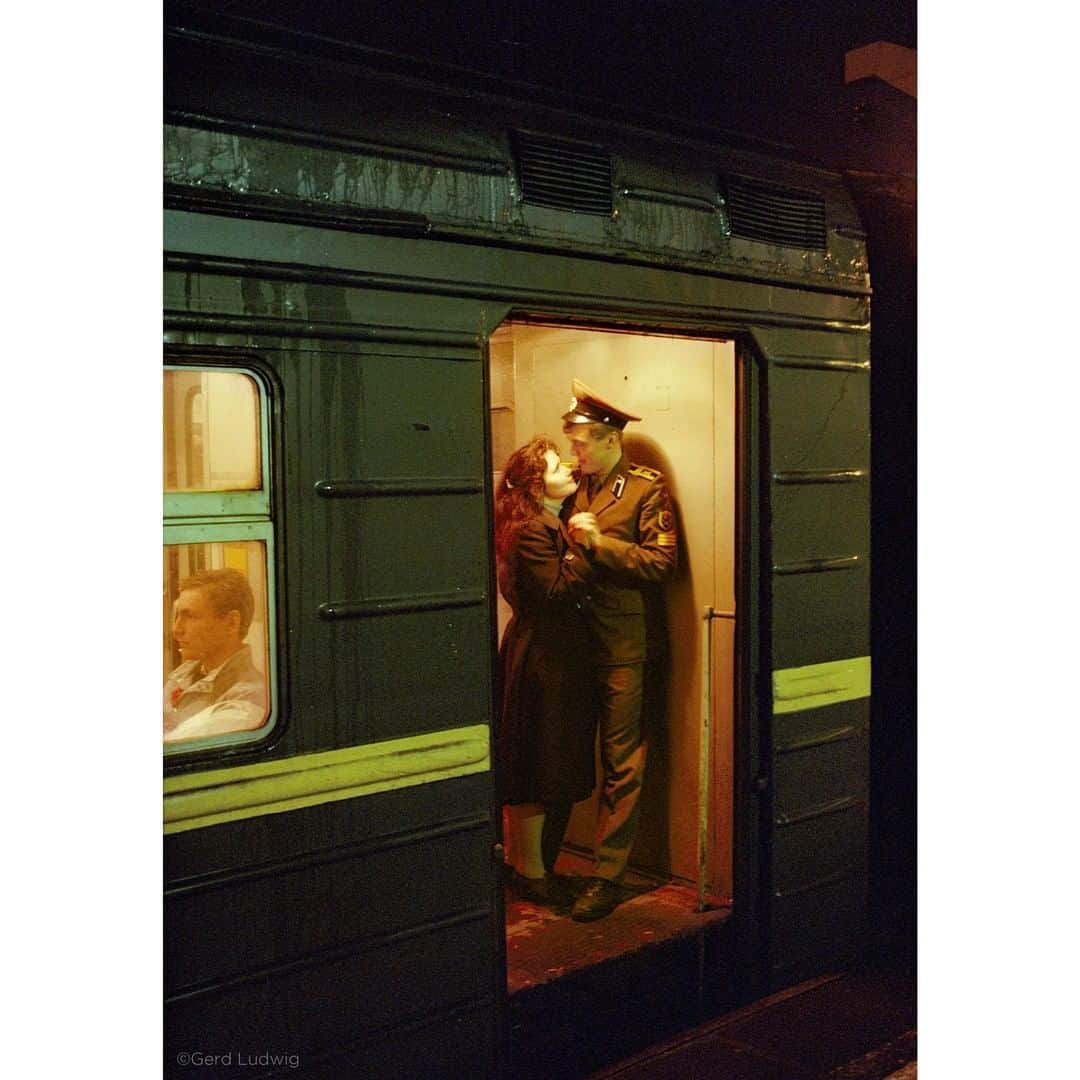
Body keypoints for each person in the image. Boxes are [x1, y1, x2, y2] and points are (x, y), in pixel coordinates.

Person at [561, 378, 678, 921]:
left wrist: (596, 544)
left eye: (581, 441)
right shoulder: (577, 488)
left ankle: (607, 876)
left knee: (621, 764)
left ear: (609, 439)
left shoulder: (643, 489)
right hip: (578, 642)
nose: (574, 451)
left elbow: (660, 563)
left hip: (624, 646)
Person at [495, 436, 598, 907]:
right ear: (537, 483)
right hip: (545, 661)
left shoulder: (532, 524)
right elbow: (555, 594)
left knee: (537, 763)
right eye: (559, 465)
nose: (570, 469)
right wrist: (582, 549)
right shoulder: (535, 531)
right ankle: (535, 873)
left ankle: (528, 866)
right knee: (541, 767)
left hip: (538, 656)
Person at [163, 567, 268, 743]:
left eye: (190, 617)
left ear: (231, 623)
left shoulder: (246, 698)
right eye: (177, 617)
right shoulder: (185, 673)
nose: (176, 630)